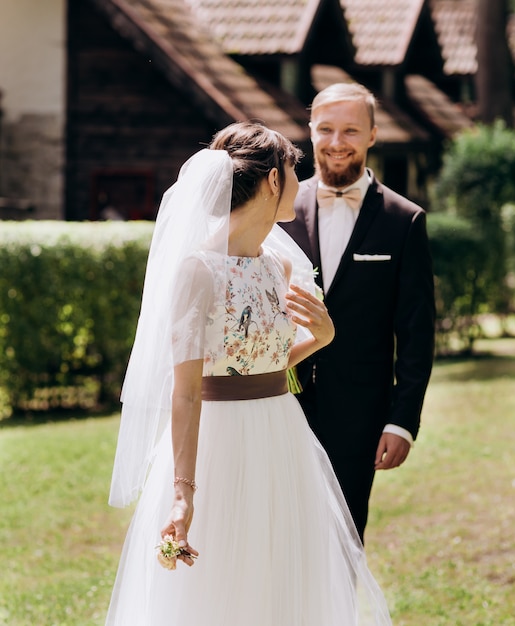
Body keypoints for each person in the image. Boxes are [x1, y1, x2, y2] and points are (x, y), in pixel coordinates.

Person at [105, 121, 392, 625]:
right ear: (274, 181)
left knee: (280, 574)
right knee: (221, 585)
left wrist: (320, 340)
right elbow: (188, 390)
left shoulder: (274, 267)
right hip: (220, 442)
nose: (299, 183)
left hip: (281, 433)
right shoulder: (198, 270)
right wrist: (182, 491)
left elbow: (257, 360)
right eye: (293, 171)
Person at [281, 83, 436, 541]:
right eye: (325, 129)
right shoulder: (278, 213)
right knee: (280, 537)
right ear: (310, 132)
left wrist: (402, 420)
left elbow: (416, 332)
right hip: (278, 406)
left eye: (350, 130)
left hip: (360, 415)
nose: (336, 142)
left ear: (372, 134)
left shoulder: (403, 220)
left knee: (343, 541)